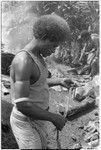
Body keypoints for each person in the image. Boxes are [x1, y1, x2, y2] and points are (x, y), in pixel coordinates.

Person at [10, 14, 73, 149]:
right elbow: (22, 105)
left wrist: (59, 81)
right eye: (54, 46)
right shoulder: (24, 61)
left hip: (37, 119)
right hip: (26, 122)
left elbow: (37, 83)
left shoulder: (38, 56)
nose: (54, 51)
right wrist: (53, 117)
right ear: (45, 38)